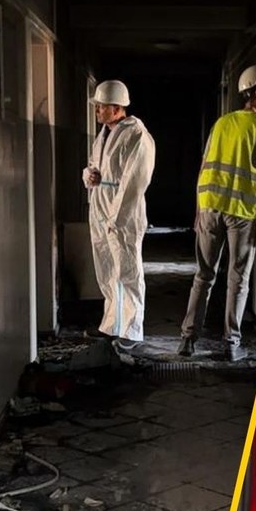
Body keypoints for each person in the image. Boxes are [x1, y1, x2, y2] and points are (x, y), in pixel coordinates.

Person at [178, 65, 256, 362]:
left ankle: (187, 340)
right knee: (238, 279)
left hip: (210, 206)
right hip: (241, 212)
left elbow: (204, 168)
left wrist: (198, 211)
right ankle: (231, 344)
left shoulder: (221, 123)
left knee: (204, 275)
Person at [82, 80, 156, 352]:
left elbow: (134, 181)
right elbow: (94, 165)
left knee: (127, 270)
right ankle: (111, 324)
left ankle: (132, 330)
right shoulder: (104, 133)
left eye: (101, 106)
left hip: (122, 212)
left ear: (117, 108)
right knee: (107, 269)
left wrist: (116, 217)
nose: (97, 110)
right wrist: (88, 175)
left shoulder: (136, 134)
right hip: (101, 204)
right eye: (97, 106)